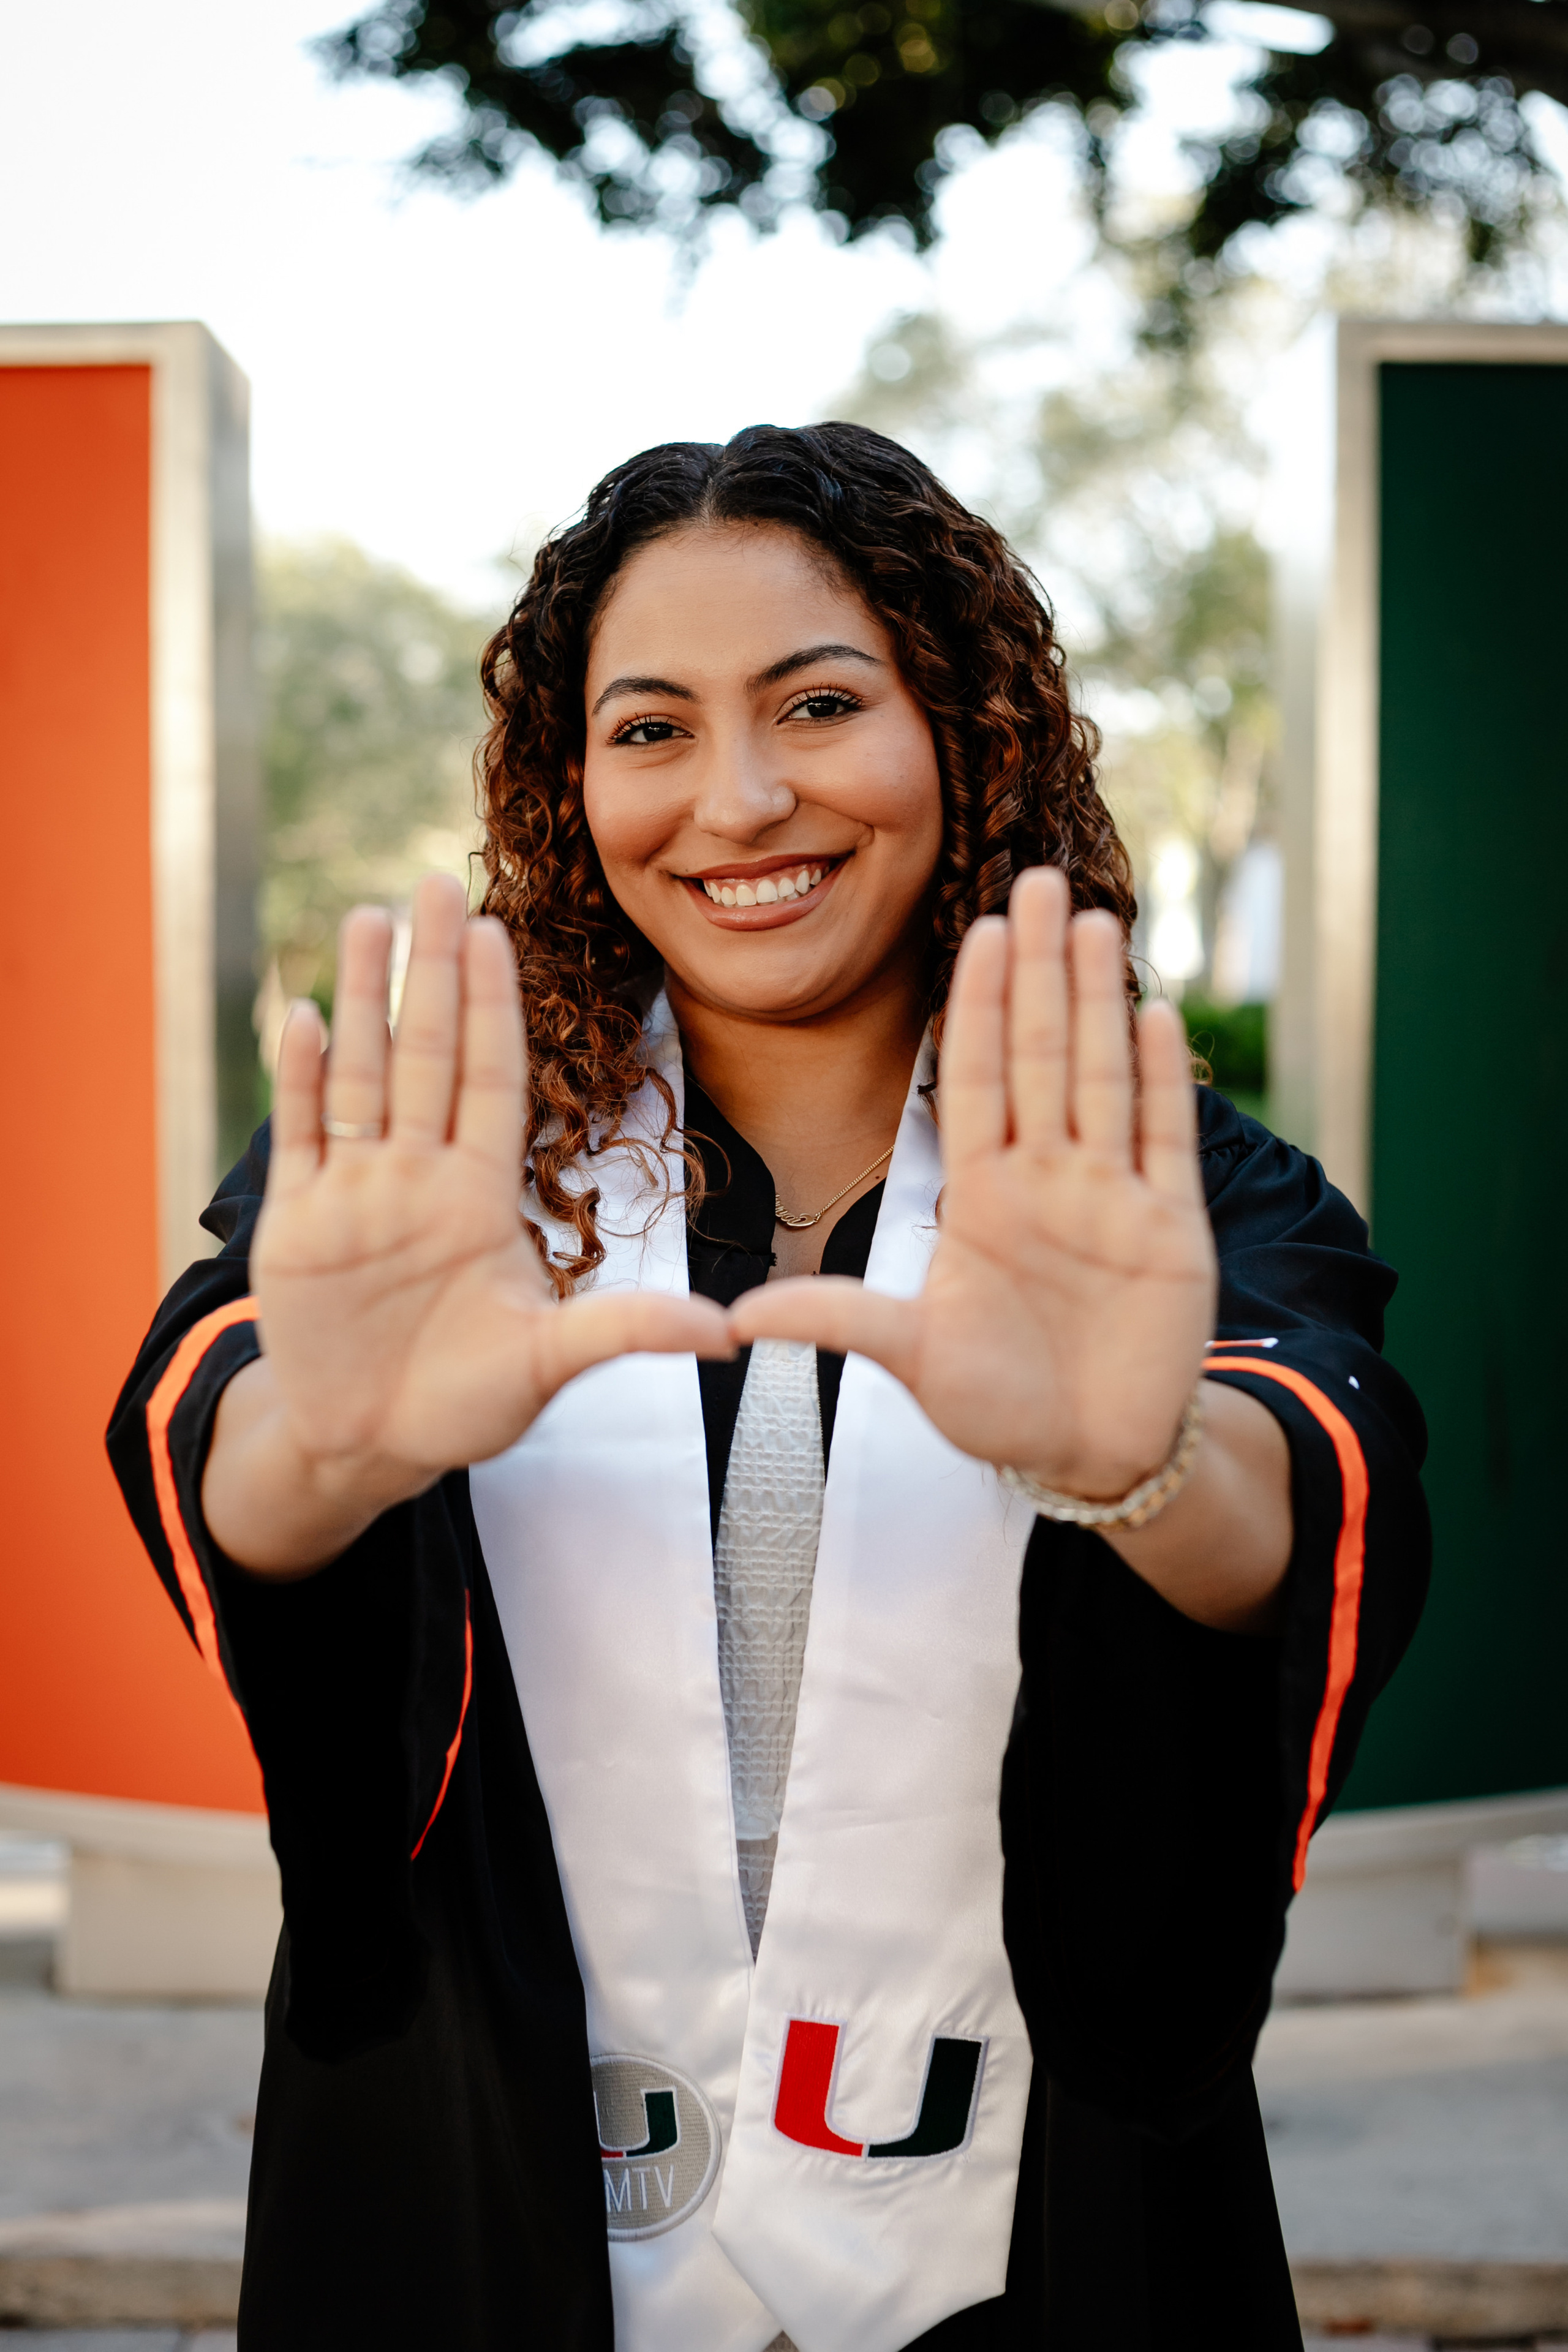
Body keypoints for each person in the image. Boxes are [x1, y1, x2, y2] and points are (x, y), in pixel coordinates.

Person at [109, 423, 1429, 2352]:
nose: (735, 799)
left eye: (818, 704)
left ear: (963, 735)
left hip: (1032, 2227)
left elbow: (1300, 1498)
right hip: (495, 2198)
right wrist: (325, 1445)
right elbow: (223, 1411)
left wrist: (1140, 1459)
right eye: (648, 731)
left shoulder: (1154, 1188)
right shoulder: (450, 1181)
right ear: (573, 785)